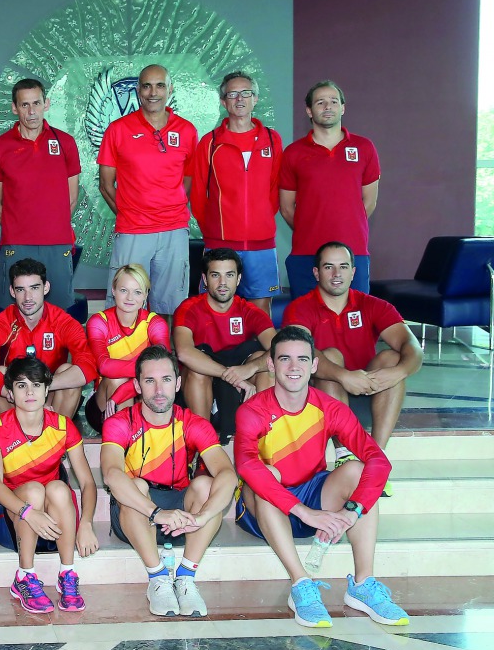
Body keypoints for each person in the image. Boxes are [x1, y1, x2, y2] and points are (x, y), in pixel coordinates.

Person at [235, 327, 409, 628]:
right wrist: (304, 512)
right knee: (267, 474)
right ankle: (301, 583)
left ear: (314, 365)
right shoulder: (253, 410)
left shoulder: (329, 407)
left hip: (313, 497)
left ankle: (363, 585)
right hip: (263, 510)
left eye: (302, 359)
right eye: (285, 359)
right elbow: (247, 466)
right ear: (271, 365)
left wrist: (353, 511)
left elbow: (378, 460)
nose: (294, 367)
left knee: (357, 470)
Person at [100, 346, 237, 618]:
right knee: (135, 485)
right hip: (136, 514)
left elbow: (228, 474)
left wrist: (203, 516)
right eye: (149, 381)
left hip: (181, 516)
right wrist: (156, 513)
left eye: (165, 379)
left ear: (178, 383)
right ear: (137, 386)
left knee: (207, 486)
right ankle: (158, 578)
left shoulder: (193, 423)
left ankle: (185, 577)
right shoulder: (120, 422)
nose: (159, 390)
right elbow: (111, 474)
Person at [281, 242, 422, 459]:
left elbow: (412, 347)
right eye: (328, 267)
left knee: (393, 358)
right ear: (316, 273)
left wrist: (399, 371)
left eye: (343, 266)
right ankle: (344, 453)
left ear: (353, 272)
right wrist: (343, 376)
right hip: (322, 392)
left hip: (367, 386)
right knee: (329, 356)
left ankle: (376, 456)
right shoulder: (300, 308)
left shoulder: (373, 305)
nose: (336, 274)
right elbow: (298, 353)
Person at [0, 357, 98, 614]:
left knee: (58, 488)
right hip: (10, 519)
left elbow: (88, 483)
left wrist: (87, 523)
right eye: (21, 385)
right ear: (10, 393)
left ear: (47, 390)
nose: (30, 392)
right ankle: (24, 576)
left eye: (36, 385)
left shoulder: (62, 426)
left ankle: (67, 574)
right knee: (34, 490)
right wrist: (28, 512)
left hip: (54, 525)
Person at [97, 64, 198, 319]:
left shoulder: (187, 130)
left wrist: (171, 206)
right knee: (125, 305)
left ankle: (164, 346)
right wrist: (130, 213)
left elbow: (188, 179)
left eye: (160, 85)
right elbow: (106, 184)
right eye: (147, 86)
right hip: (133, 230)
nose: (153, 93)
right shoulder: (117, 130)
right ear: (138, 90)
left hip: (173, 231)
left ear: (170, 89)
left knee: (172, 307)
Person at [188, 71, 283, 314]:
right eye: (232, 94)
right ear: (223, 102)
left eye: (246, 93)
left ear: (255, 99)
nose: (240, 99)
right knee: (216, 309)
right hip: (220, 243)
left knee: (260, 310)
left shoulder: (272, 140)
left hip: (262, 244)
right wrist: (215, 231)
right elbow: (198, 195)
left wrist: (259, 220)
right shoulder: (210, 143)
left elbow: (275, 189)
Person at [0, 78, 81, 310]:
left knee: (58, 312)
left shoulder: (65, 143)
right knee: (14, 312)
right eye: (24, 105)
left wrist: (50, 227)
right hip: (17, 244)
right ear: (14, 108)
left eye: (36, 103)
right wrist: (19, 228)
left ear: (46, 104)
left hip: (57, 243)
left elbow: (71, 199)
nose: (31, 111)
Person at [280, 81, 380, 297]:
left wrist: (346, 227)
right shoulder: (293, 153)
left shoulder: (364, 148)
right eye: (320, 102)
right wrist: (309, 228)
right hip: (306, 254)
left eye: (334, 101)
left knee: (354, 315)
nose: (328, 106)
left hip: (353, 253)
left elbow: (369, 202)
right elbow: (286, 208)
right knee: (305, 318)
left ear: (342, 108)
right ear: (309, 110)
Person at [174, 248, 276, 442]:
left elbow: (281, 350)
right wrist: (231, 376)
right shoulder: (189, 308)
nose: (223, 282)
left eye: (229, 275)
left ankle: (262, 440)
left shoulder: (250, 311)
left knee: (265, 364)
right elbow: (184, 352)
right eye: (215, 275)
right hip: (201, 391)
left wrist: (251, 368)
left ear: (238, 279)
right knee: (197, 369)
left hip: (240, 391)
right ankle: (202, 445)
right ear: (205, 279)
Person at [0, 259, 97, 419]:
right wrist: (16, 390)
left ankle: (57, 432)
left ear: (46, 288)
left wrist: (41, 387)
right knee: (0, 373)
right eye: (20, 290)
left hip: (51, 392)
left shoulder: (63, 322)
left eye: (34, 288)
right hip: (13, 395)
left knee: (67, 370)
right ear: (12, 291)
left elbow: (89, 366)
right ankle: (14, 432)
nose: (28, 297)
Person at [85, 264, 169, 430]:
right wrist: (146, 371)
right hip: (105, 404)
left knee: (156, 382)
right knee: (117, 379)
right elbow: (104, 366)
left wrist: (128, 388)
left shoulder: (154, 323)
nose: (130, 298)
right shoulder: (99, 322)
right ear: (113, 290)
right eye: (124, 290)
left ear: (145, 295)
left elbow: (164, 366)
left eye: (137, 292)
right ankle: (124, 437)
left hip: (141, 395)